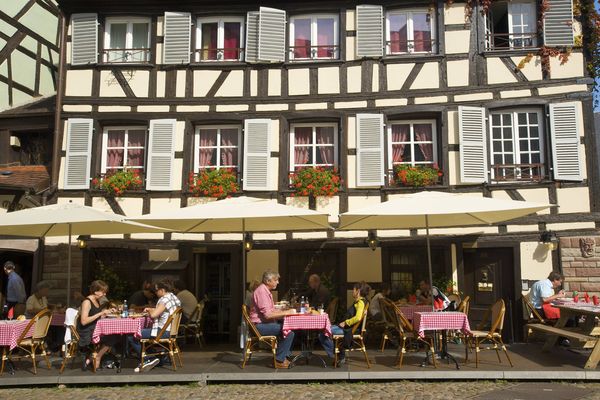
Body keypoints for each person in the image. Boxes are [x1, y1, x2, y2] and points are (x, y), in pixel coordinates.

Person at [128, 278, 181, 372]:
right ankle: (155, 357)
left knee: (131, 335)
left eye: (156, 290)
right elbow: (162, 312)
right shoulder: (173, 297)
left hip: (162, 331)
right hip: (171, 331)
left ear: (162, 290)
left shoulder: (164, 300)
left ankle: (149, 359)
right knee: (143, 332)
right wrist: (150, 309)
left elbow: (153, 315)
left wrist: (150, 312)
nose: (155, 293)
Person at [249, 270, 297, 369]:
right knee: (289, 332)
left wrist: (282, 310)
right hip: (259, 326)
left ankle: (283, 357)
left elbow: (270, 310)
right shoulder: (262, 292)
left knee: (288, 328)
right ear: (268, 281)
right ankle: (279, 360)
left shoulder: (265, 291)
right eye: (276, 280)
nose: (278, 282)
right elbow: (268, 315)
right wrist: (287, 312)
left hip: (263, 324)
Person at [320, 281, 370, 366]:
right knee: (326, 329)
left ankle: (336, 355)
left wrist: (346, 322)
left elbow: (357, 318)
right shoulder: (359, 302)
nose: (352, 292)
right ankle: (339, 355)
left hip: (349, 330)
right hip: (347, 328)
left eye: (353, 290)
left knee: (323, 332)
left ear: (358, 291)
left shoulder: (360, 303)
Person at [77, 280, 117, 371]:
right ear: (96, 292)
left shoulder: (96, 300)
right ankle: (97, 358)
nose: (105, 294)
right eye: (103, 292)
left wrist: (107, 313)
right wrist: (100, 314)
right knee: (113, 336)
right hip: (87, 332)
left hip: (94, 328)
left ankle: (91, 359)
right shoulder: (87, 302)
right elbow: (84, 321)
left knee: (115, 334)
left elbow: (97, 318)